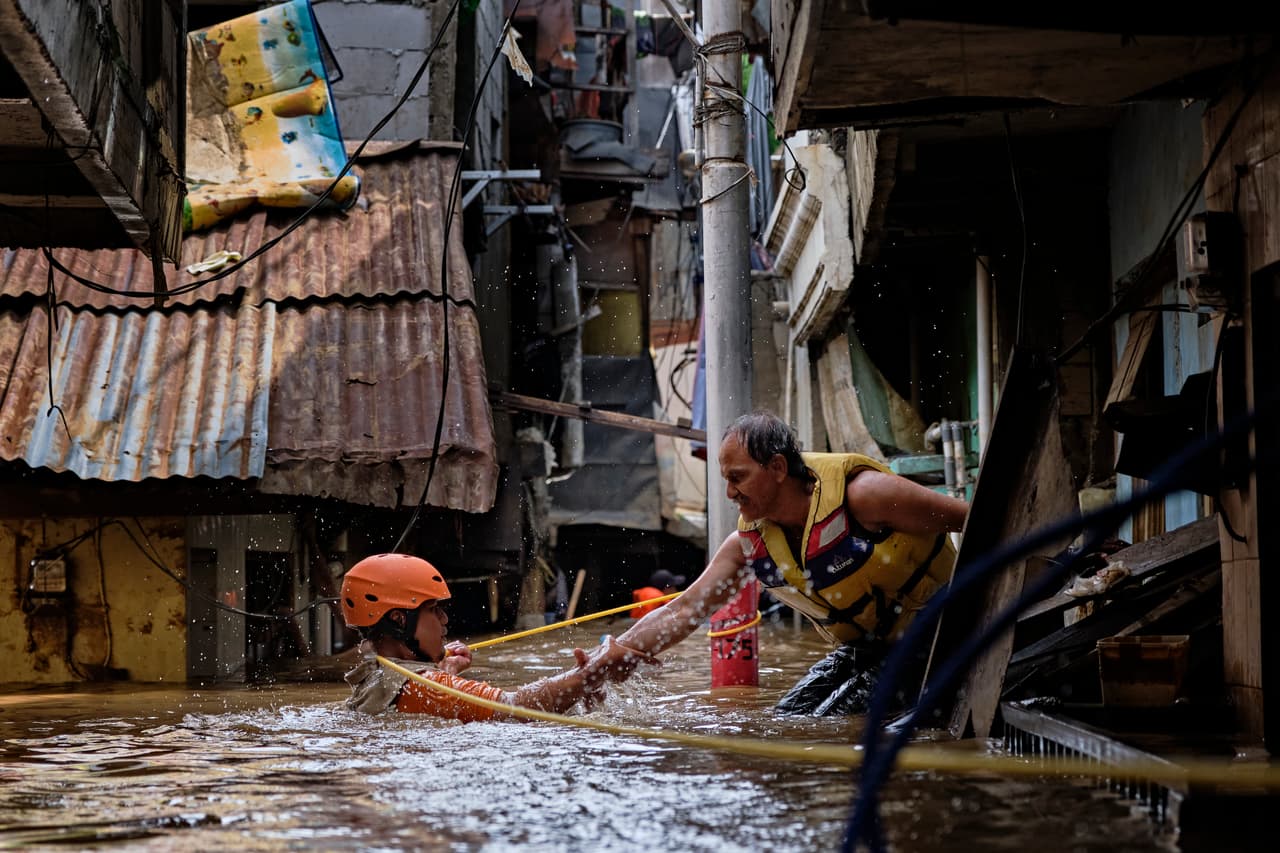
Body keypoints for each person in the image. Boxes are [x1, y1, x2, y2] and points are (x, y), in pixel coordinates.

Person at [587, 411, 970, 716]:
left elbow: (980, 520)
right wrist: (618, 652)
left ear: (778, 468)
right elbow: (686, 608)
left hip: (940, 635)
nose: (729, 493)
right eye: (726, 479)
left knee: (827, 725)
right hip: (870, 649)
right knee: (789, 719)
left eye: (738, 477)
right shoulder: (746, 546)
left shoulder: (867, 496)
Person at [341, 553, 653, 721]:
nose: (444, 620)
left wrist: (445, 674)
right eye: (434, 610)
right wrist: (588, 674)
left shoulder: (380, 676)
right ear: (399, 621)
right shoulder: (418, 686)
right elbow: (514, 708)